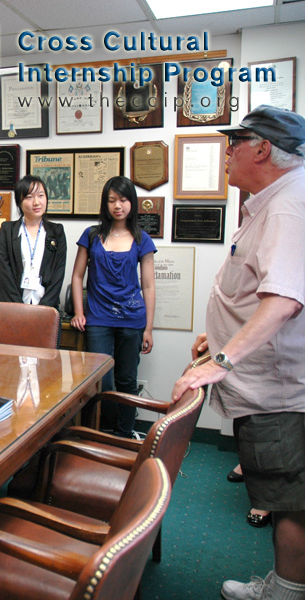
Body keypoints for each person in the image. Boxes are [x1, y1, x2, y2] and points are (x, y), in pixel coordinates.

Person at [172, 105, 305, 600]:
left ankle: (286, 592)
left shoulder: (289, 203)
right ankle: (285, 582)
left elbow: (285, 300)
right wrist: (223, 336)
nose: (227, 152)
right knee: (284, 495)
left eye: (236, 142)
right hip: (270, 379)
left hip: (280, 390)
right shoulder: (275, 200)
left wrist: (222, 360)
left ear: (264, 148)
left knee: (290, 500)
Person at [70, 175, 156, 437]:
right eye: (111, 200)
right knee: (101, 381)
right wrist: (78, 312)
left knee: (127, 380)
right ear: (104, 204)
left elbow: (149, 286)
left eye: (123, 199)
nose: (117, 205)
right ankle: (100, 433)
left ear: (132, 202)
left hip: (132, 321)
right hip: (98, 320)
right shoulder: (92, 235)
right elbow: (77, 276)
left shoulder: (142, 239)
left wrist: (149, 329)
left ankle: (124, 434)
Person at [0, 175, 67, 309]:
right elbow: (5, 272)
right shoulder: (8, 230)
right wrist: (19, 307)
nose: (36, 202)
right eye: (29, 197)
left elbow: (59, 272)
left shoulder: (57, 231)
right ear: (19, 202)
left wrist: (44, 308)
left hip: (46, 308)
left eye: (41, 195)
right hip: (12, 307)